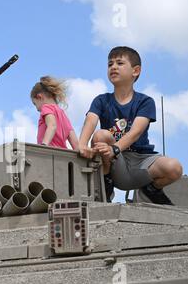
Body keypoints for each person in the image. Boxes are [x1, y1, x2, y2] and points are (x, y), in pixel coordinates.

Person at [78, 46, 183, 204]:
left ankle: (151, 189)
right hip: (115, 163)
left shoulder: (145, 101)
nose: (113, 66)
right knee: (101, 135)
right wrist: (82, 144)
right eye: (110, 64)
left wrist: (115, 148)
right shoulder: (101, 100)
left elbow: (135, 132)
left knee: (174, 167)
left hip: (140, 160)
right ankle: (106, 181)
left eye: (119, 63)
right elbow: (91, 120)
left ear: (136, 71)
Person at [30, 76, 79, 150]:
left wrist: (44, 145)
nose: (37, 109)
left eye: (35, 104)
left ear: (39, 97)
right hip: (62, 156)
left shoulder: (46, 108)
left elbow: (52, 126)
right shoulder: (62, 114)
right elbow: (75, 143)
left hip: (49, 155)